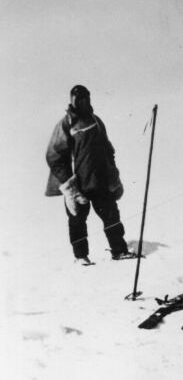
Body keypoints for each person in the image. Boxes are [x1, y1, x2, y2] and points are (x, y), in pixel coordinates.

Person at [45, 85, 134, 265]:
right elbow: (54, 156)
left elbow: (108, 150)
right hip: (78, 186)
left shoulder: (96, 120)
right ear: (72, 101)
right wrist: (69, 185)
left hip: (101, 182)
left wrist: (114, 175)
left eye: (86, 98)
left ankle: (119, 251)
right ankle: (81, 257)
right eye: (78, 99)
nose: (83, 102)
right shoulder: (66, 124)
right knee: (77, 221)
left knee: (111, 216)